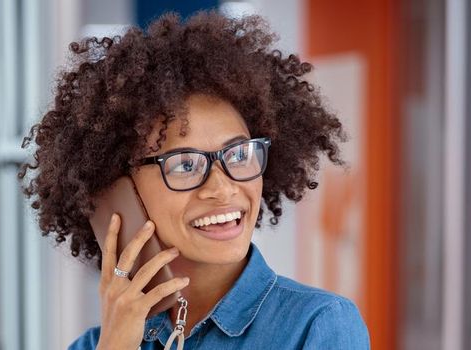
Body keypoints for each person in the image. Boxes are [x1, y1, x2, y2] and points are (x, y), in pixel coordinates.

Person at [19, 11, 370, 349]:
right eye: (185, 165)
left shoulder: (318, 326)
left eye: (238, 155)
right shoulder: (95, 346)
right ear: (120, 189)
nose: (222, 188)